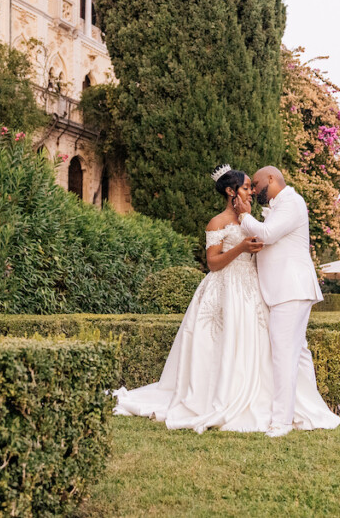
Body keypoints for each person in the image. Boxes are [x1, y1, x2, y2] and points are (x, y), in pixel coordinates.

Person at [112, 165, 275, 432]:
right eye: (246, 187)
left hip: (250, 289)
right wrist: (242, 247)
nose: (251, 191)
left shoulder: (249, 219)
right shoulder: (217, 222)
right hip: (224, 287)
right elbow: (212, 263)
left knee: (253, 340)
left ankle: (257, 395)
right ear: (230, 191)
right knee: (220, 341)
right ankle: (215, 395)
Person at [235, 166, 340, 436]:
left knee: (283, 354)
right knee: (300, 353)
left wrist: (244, 216)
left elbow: (267, 234)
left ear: (272, 179)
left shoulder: (291, 202)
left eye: (257, 184)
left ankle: (281, 422)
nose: (255, 189)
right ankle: (312, 411)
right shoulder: (281, 204)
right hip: (284, 290)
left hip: (290, 289)